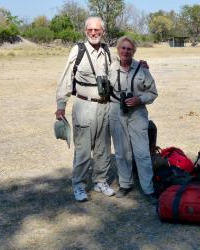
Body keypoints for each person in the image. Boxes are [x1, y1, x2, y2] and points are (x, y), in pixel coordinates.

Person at [55, 17, 115, 202]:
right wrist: (61, 105)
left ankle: (100, 181)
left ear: (103, 31)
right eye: (90, 30)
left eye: (97, 30)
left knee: (103, 148)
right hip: (83, 105)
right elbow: (66, 77)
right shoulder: (78, 50)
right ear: (85, 31)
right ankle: (78, 184)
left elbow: (115, 74)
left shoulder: (107, 50)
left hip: (104, 105)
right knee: (82, 150)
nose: (93, 33)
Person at [109, 36, 158, 204]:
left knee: (142, 153)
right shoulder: (111, 68)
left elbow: (153, 93)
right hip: (117, 112)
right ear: (118, 50)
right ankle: (125, 184)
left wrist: (139, 99)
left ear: (134, 51)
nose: (125, 51)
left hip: (137, 114)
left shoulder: (142, 69)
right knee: (122, 152)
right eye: (122, 48)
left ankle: (148, 189)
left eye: (129, 49)